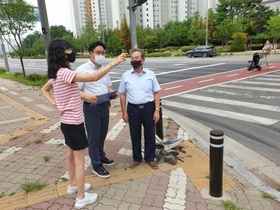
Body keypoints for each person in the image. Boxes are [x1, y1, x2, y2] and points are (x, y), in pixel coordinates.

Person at [41, 40, 126, 209]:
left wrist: (55, 104)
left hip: (66, 122)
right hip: (74, 122)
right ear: (61, 53)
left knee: (70, 156)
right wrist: (113, 63)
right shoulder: (65, 73)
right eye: (69, 49)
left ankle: (73, 185)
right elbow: (93, 77)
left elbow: (44, 89)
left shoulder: (56, 73)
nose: (71, 52)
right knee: (79, 161)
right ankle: (81, 197)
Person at [76, 41, 117, 179]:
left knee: (102, 134)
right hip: (92, 107)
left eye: (103, 53)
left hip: (104, 105)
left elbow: (108, 86)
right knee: (93, 137)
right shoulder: (82, 69)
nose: (100, 55)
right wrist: (88, 98)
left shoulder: (104, 69)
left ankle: (101, 156)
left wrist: (112, 93)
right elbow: (77, 91)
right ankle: (96, 164)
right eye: (98, 52)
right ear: (90, 54)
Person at [118, 48, 161, 169]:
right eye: (132, 58)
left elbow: (156, 93)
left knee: (150, 134)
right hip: (133, 109)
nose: (134, 60)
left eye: (137, 58)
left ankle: (150, 158)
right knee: (135, 134)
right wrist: (124, 112)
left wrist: (156, 110)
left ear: (143, 60)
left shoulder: (150, 75)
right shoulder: (126, 76)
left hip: (148, 108)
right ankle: (136, 158)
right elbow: (122, 94)